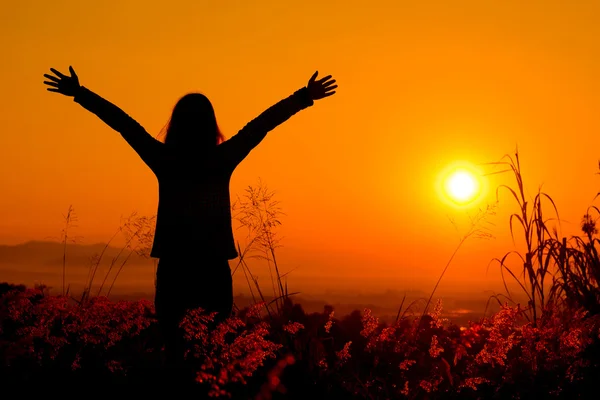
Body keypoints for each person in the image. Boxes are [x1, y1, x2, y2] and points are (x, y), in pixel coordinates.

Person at [42, 66, 337, 376]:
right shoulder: (221, 159)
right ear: (211, 126)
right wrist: (303, 97)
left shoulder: (165, 159)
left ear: (176, 126)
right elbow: (261, 125)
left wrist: (80, 94)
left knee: (176, 358)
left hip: (174, 271)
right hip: (212, 270)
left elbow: (124, 125)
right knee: (212, 358)